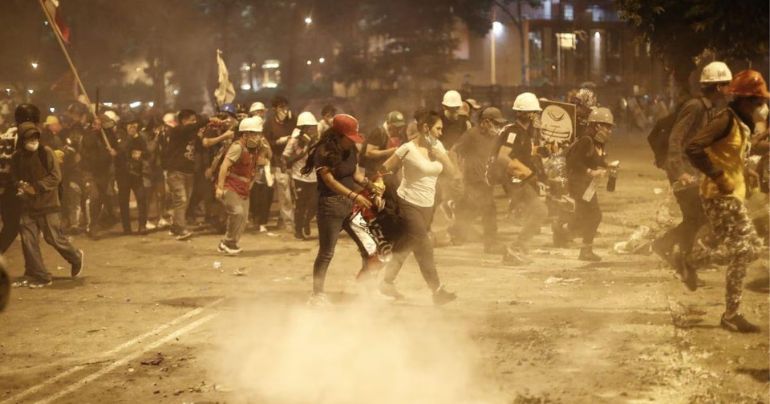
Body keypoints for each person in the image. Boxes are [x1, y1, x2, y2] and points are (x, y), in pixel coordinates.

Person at [685, 69, 768, 333]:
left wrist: (746, 171)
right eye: (759, 102)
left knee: (751, 248)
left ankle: (691, 261)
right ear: (744, 100)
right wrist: (718, 175)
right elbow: (693, 148)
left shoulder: (742, 124)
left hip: (733, 194)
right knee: (743, 251)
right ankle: (732, 314)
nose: (763, 108)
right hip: (720, 195)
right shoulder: (725, 120)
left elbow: (730, 155)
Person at [653, 61, 733, 288]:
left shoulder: (708, 109)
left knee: (695, 219)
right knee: (701, 218)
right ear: (717, 87)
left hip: (692, 171)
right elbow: (675, 140)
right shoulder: (696, 107)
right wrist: (680, 174)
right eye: (726, 86)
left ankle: (685, 264)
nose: (728, 91)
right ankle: (669, 248)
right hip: (683, 173)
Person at [302, 114, 385, 306]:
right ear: (338, 135)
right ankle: (317, 296)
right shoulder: (323, 151)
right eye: (350, 138)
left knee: (370, 247)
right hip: (330, 206)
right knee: (326, 253)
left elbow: (354, 173)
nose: (352, 142)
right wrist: (354, 195)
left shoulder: (350, 150)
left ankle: (369, 289)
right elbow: (329, 181)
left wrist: (370, 186)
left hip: (350, 206)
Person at [378, 110, 458, 305]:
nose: (441, 132)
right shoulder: (407, 148)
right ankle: (437, 290)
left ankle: (385, 281)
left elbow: (452, 172)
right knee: (424, 245)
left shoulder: (437, 146)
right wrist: (381, 190)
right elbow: (383, 169)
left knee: (407, 244)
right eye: (438, 128)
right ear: (425, 128)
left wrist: (441, 156)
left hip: (427, 206)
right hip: (408, 203)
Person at [11, 122, 83, 288]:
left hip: (48, 202)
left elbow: (55, 176)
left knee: (53, 238)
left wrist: (36, 187)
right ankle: (41, 275)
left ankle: (75, 257)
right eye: (29, 138)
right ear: (22, 140)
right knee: (28, 240)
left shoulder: (46, 152)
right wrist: (20, 186)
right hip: (28, 204)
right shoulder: (17, 157)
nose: (33, 141)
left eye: (36, 137)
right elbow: (14, 177)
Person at [493, 93, 548, 263]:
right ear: (524, 113)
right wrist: (527, 174)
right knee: (540, 211)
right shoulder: (514, 132)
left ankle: (520, 246)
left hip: (522, 179)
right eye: (534, 113)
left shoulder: (524, 133)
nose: (536, 116)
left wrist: (541, 151)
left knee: (536, 211)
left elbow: (524, 153)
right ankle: (516, 248)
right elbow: (503, 157)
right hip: (515, 180)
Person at [451, 107, 507, 253]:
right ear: (485, 122)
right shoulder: (471, 134)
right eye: (495, 123)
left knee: (471, 208)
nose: (498, 127)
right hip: (474, 179)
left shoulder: (495, 137)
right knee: (489, 209)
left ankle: (457, 232)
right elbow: (454, 151)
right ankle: (490, 243)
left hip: (486, 179)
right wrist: (457, 172)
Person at [566, 107, 614, 262]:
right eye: (607, 126)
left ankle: (564, 230)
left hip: (586, 184)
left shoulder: (597, 142)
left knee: (585, 214)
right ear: (597, 125)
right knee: (594, 215)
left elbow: (595, 160)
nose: (609, 130)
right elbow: (574, 161)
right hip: (578, 182)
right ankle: (584, 250)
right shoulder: (586, 140)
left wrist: (608, 166)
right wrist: (589, 172)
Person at [215, 117, 267, 255]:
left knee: (243, 218)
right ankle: (227, 242)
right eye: (254, 134)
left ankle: (230, 243)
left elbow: (265, 159)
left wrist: (264, 148)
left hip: (244, 186)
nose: (257, 137)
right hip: (231, 185)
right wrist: (220, 187)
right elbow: (224, 166)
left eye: (258, 134)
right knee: (237, 213)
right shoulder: (237, 147)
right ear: (245, 134)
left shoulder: (255, 149)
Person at [165, 109, 217, 240]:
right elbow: (193, 127)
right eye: (192, 120)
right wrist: (208, 119)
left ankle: (176, 226)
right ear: (183, 120)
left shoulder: (193, 134)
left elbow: (205, 142)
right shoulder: (177, 131)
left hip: (189, 172)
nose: (194, 123)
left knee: (185, 201)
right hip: (176, 171)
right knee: (181, 199)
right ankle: (181, 230)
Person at [1, 104, 40, 253]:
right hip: (12, 188)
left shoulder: (6, 134)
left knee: (11, 225)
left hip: (3, 186)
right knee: (13, 227)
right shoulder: (25, 136)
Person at [81, 113, 118, 239]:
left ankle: (95, 223)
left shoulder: (109, 135)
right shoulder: (88, 135)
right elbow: (88, 146)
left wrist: (114, 152)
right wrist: (96, 131)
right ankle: (91, 227)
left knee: (100, 199)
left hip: (103, 172)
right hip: (89, 172)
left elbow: (115, 147)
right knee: (94, 197)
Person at [283, 111, 319, 240]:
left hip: (314, 177)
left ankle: (306, 222)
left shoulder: (317, 141)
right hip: (299, 177)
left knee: (315, 203)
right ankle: (298, 230)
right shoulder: (294, 141)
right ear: (302, 128)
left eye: (313, 127)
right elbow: (285, 158)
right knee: (300, 205)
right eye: (309, 127)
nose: (312, 130)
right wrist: (304, 151)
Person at [263, 96, 296, 231]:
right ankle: (288, 223)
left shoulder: (292, 120)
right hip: (278, 161)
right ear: (274, 109)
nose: (284, 110)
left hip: (293, 161)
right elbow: (266, 142)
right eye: (281, 107)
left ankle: (283, 220)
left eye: (286, 107)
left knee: (294, 194)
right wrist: (279, 141)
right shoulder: (269, 123)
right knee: (284, 194)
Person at [115, 117, 149, 234]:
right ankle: (126, 228)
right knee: (123, 201)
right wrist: (130, 137)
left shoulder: (140, 138)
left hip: (136, 174)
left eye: (134, 124)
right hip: (123, 174)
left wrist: (141, 154)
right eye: (129, 124)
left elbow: (147, 153)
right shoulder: (120, 137)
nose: (132, 126)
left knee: (142, 198)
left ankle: (142, 226)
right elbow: (121, 151)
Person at [362, 110, 407, 178]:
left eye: (400, 127)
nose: (399, 129)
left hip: (384, 171)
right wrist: (391, 151)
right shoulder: (378, 132)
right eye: (396, 127)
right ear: (389, 124)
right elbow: (369, 153)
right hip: (371, 172)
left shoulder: (397, 134)